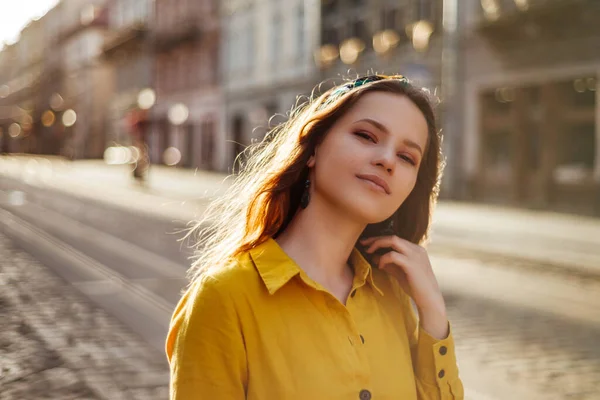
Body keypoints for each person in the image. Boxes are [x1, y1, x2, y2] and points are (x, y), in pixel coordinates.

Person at [166, 74, 464, 399]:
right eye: (366, 135)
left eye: (407, 157)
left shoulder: (393, 297)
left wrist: (434, 314)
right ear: (313, 148)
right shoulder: (223, 298)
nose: (388, 160)